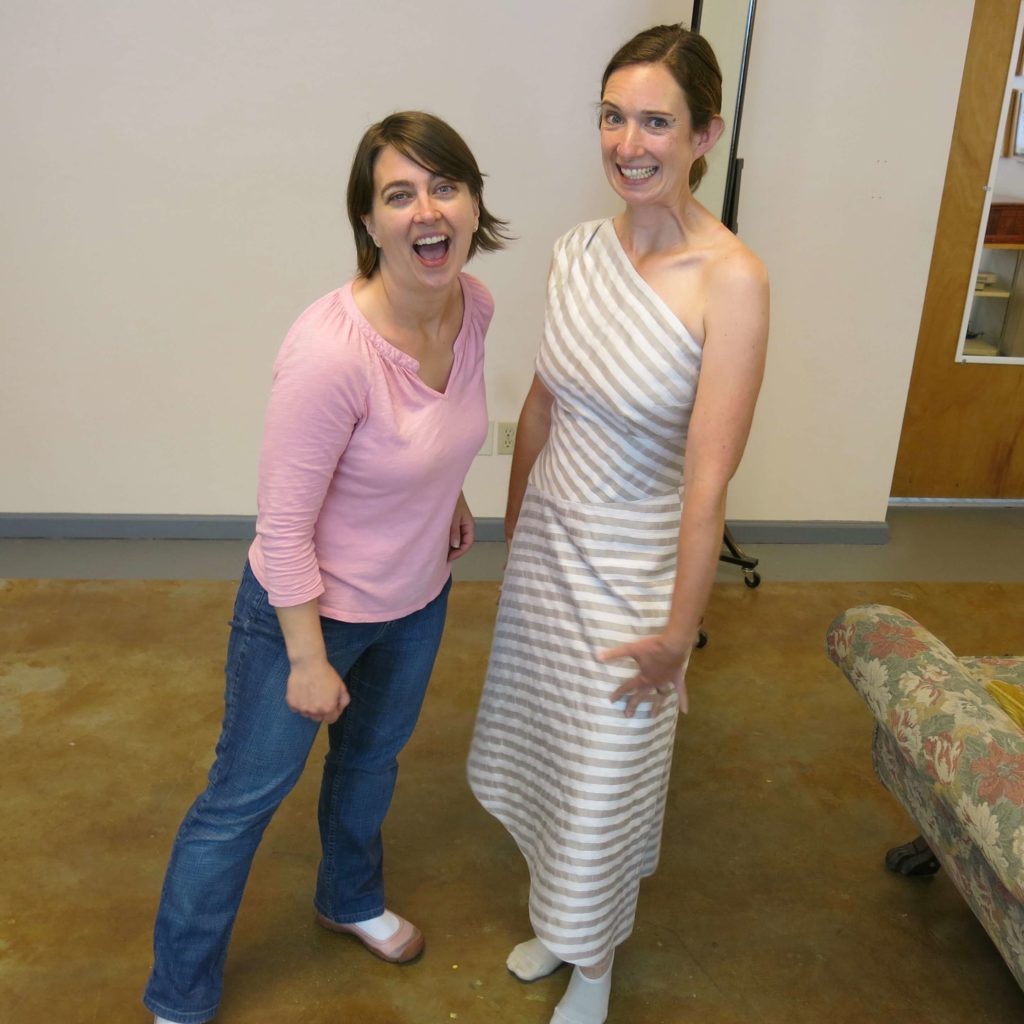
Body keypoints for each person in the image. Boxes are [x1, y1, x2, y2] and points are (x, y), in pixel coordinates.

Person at [144, 111, 509, 1024]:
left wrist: (447, 498)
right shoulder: (329, 353)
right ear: (370, 221)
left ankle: (347, 897)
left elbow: (439, 430)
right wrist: (306, 658)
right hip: (305, 611)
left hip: (416, 597)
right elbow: (283, 528)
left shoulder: (476, 307)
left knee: (372, 761)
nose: (426, 210)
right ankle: (176, 998)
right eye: (399, 194)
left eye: (445, 186)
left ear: (472, 203)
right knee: (241, 800)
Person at [468, 23, 769, 1024]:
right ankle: (558, 924)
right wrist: (515, 540)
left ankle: (593, 961)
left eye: (654, 121)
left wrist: (679, 634)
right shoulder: (573, 252)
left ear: (702, 136)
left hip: (639, 566)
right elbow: (545, 406)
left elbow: (706, 483)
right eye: (612, 117)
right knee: (554, 752)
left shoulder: (731, 280)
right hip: (551, 548)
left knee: (606, 775)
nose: (627, 142)